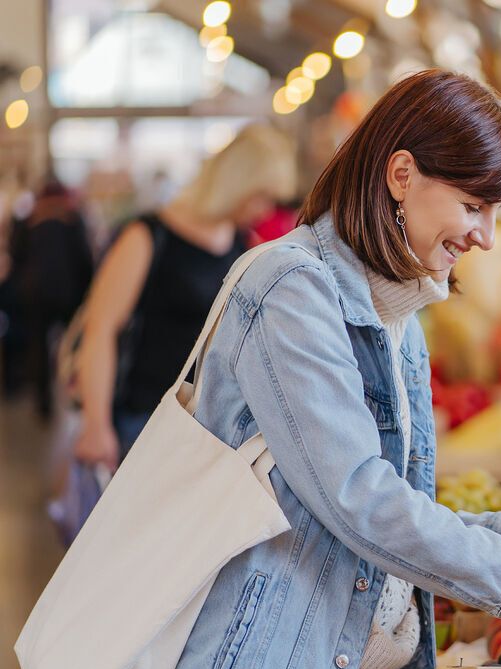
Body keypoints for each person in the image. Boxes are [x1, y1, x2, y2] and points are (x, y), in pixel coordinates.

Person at [133, 69, 501, 669]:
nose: (486, 236)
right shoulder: (291, 290)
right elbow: (355, 499)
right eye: (472, 204)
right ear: (401, 174)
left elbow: (367, 515)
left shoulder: (396, 315)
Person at [73, 124, 297, 469]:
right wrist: (96, 425)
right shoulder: (149, 234)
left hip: (206, 427)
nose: (266, 209)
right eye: (261, 196)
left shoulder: (239, 242)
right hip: (144, 418)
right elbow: (100, 329)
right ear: (238, 183)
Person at [6, 180, 94, 417]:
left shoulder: (28, 220)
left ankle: (43, 403)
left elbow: (16, 256)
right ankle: (77, 393)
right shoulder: (73, 219)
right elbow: (84, 259)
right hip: (69, 293)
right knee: (76, 344)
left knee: (38, 345)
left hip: (35, 293)